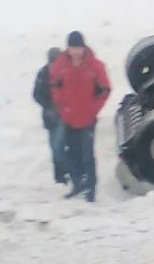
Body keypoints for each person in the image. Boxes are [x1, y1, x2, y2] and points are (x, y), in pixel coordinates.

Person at [49, 31, 111, 202]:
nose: (75, 52)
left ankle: (91, 189)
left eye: (78, 48)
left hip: (87, 118)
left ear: (83, 48)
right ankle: (78, 182)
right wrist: (61, 104)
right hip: (68, 117)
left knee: (88, 155)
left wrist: (93, 109)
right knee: (63, 150)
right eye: (72, 48)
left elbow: (105, 89)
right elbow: (54, 84)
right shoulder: (60, 65)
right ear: (67, 48)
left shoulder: (95, 66)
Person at [32, 46, 68, 184]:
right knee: (55, 148)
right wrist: (49, 106)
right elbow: (37, 94)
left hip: (65, 116)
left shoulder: (66, 73)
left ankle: (67, 173)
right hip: (51, 118)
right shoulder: (43, 74)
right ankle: (60, 177)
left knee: (61, 145)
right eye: (52, 62)